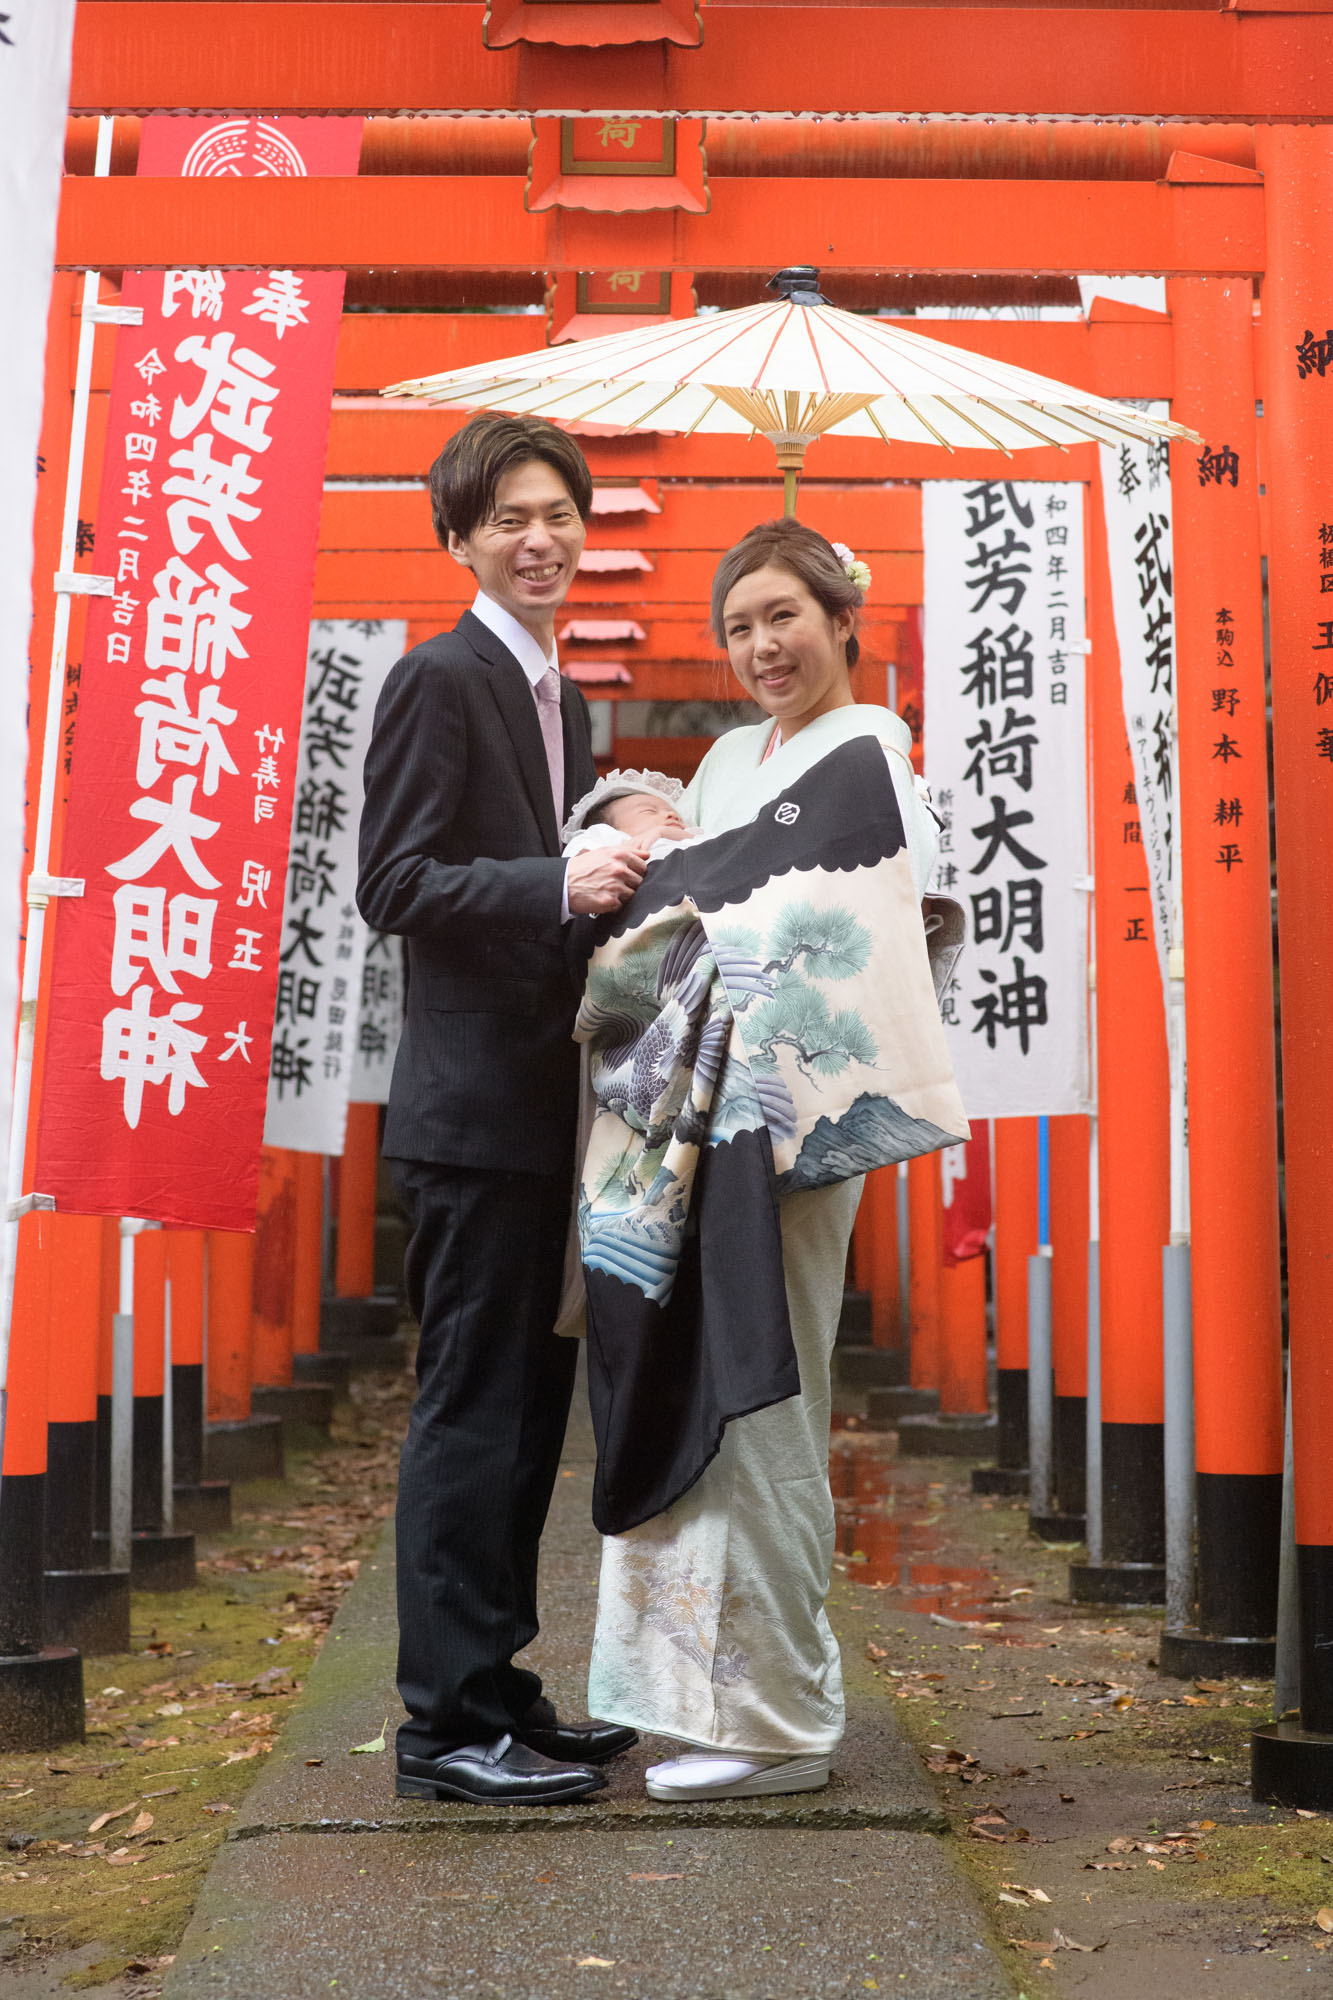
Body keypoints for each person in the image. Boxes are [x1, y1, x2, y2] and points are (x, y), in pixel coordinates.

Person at [586, 517, 948, 1803]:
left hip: (785, 1117)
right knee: (683, 1369)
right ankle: (690, 1694)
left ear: (845, 617)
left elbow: (877, 921)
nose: (761, 645)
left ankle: (783, 1716)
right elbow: (679, 869)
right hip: (685, 1120)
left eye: (785, 614)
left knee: (766, 1385)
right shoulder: (737, 754)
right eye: (739, 625)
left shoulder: (876, 754)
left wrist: (715, 899)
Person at [356, 413, 645, 1807]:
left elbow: (557, 906)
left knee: (533, 1417)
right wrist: (555, 881)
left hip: (547, 1114)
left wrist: (636, 890)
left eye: (560, 515)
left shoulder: (557, 697)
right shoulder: (440, 679)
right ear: (458, 535)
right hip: (469, 1121)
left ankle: (499, 1687)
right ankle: (438, 1729)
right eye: (510, 518)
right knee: (470, 1415)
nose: (542, 539)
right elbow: (394, 886)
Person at [561, 769, 701, 862]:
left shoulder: (689, 840)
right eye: (650, 811)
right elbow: (577, 862)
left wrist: (664, 832)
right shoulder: (610, 836)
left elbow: (714, 846)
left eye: (674, 812)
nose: (671, 814)